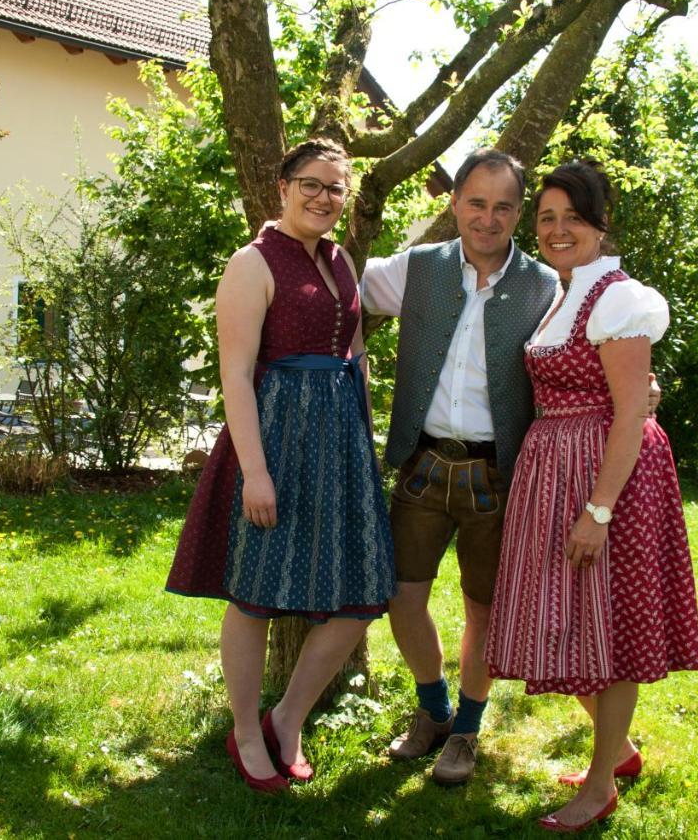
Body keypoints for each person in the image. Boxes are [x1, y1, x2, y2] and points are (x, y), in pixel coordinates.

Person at [166, 138, 395, 794]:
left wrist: (364, 435)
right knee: (255, 592)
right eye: (312, 184)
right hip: (274, 437)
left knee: (362, 591)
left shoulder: (342, 259)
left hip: (340, 443)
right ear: (283, 187)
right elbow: (235, 374)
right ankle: (245, 730)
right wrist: (256, 472)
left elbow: (356, 352)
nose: (324, 197)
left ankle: (287, 715)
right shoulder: (251, 263)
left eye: (335, 188)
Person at [484, 160, 698, 832]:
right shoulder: (563, 291)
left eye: (571, 218)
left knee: (609, 627)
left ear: (599, 223)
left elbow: (632, 408)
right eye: (546, 218)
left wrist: (598, 510)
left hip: (608, 477)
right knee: (567, 621)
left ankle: (601, 783)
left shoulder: (617, 297)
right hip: (554, 470)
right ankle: (623, 749)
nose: (556, 230)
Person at [360, 148, 560, 785]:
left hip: (499, 475)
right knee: (401, 598)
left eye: (503, 206)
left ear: (518, 213)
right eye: (476, 202)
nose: (488, 218)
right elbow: (336, 285)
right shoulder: (415, 269)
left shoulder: (545, 285)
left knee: (484, 610)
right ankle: (434, 708)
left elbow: (592, 341)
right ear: (454, 203)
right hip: (422, 465)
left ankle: (467, 731)